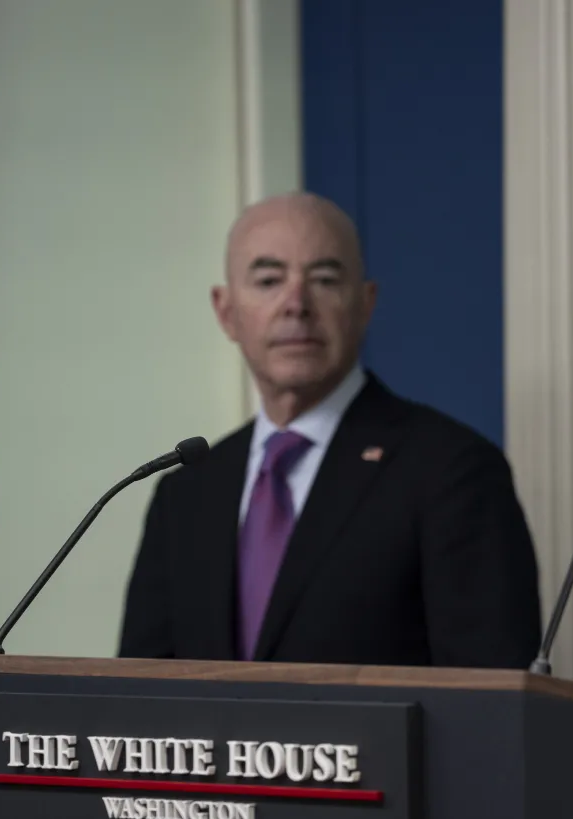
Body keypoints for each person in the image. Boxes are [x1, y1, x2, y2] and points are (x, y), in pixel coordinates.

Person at [118, 192, 542, 668]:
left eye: (323, 279)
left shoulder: (452, 472)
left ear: (365, 304)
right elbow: (141, 702)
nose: (296, 304)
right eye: (268, 279)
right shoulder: (186, 493)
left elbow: (491, 697)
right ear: (226, 311)